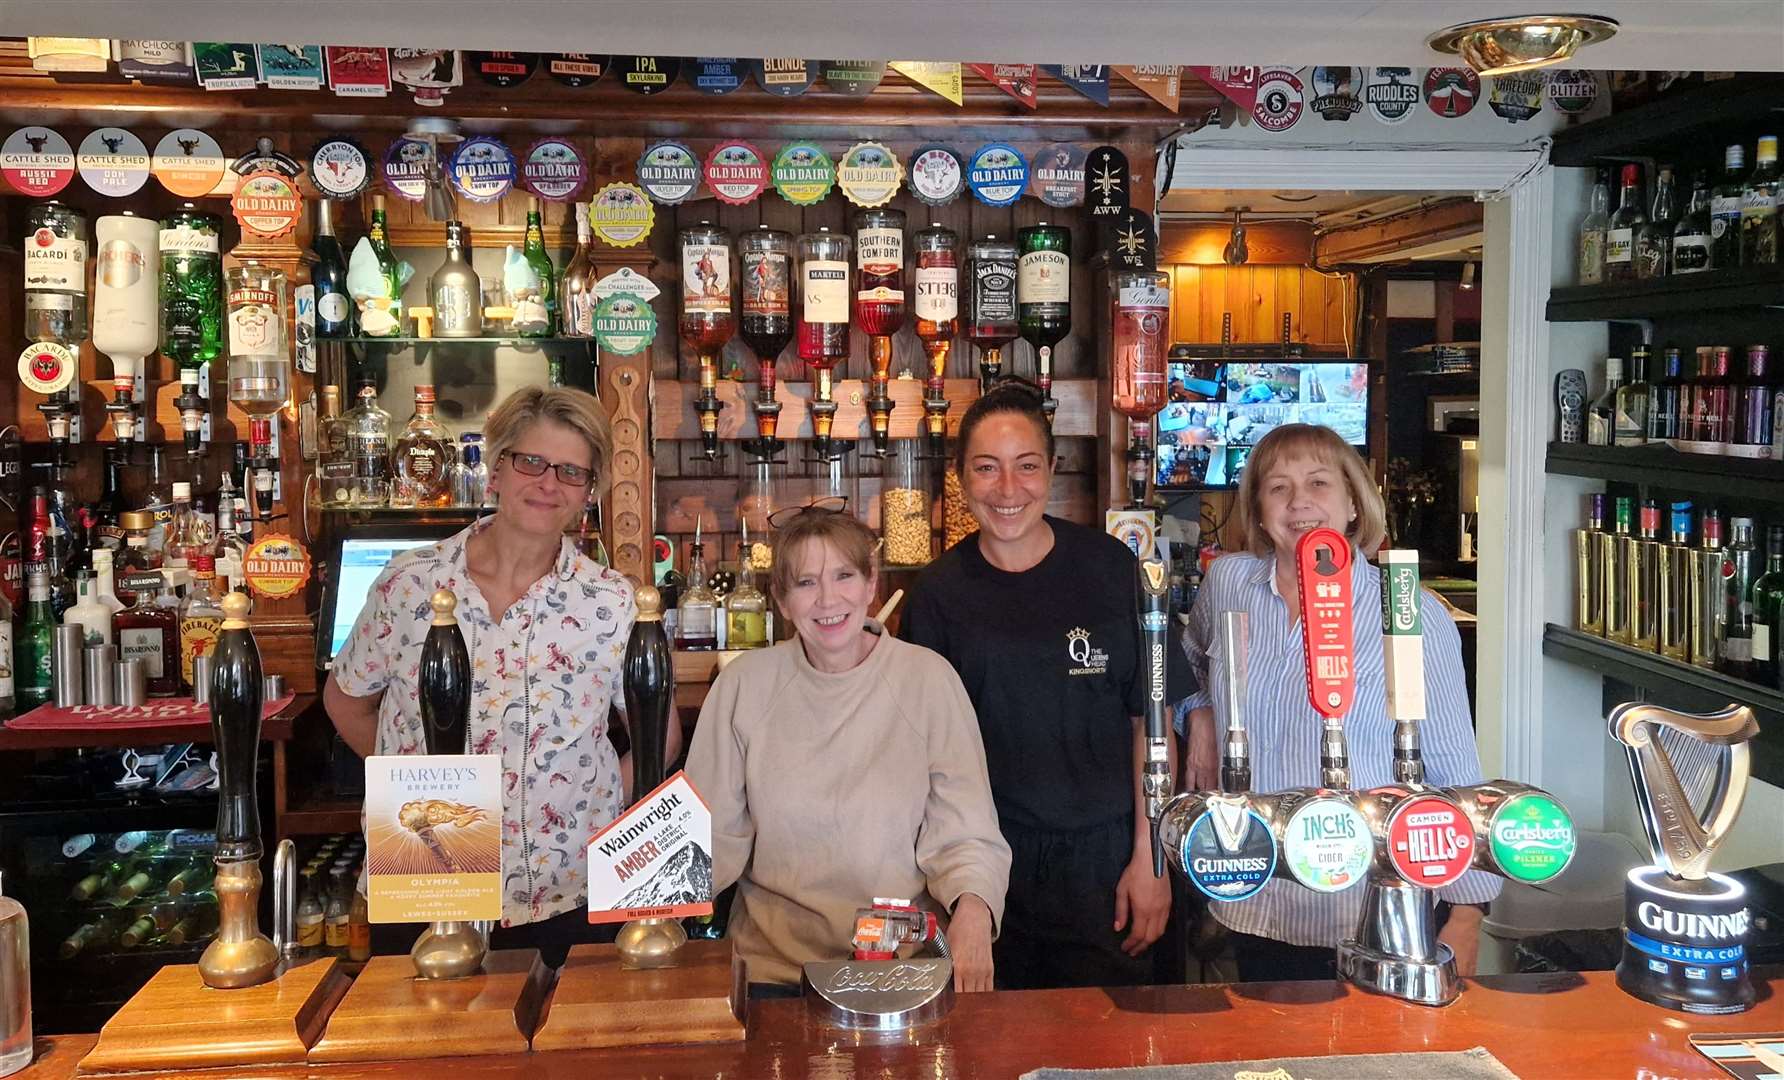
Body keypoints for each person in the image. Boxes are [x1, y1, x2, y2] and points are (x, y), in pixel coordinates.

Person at [327, 386, 670, 962]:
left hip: (569, 887)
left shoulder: (612, 604)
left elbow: (658, 737)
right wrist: (420, 786)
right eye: (531, 461)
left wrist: (599, 806)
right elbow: (347, 703)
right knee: (423, 1047)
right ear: (497, 467)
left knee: (569, 1050)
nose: (547, 484)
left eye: (571, 472)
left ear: (589, 493)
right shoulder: (408, 583)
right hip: (426, 874)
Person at [902, 379, 1196, 990]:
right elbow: (921, 758)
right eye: (987, 468)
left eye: (1026, 466)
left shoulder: (1113, 568)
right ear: (960, 477)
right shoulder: (937, 594)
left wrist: (1153, 859)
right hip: (988, 868)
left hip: (1110, 862)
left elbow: (1154, 722)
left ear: (1053, 469)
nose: (1008, 490)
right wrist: (961, 895)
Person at [1181, 423, 1496, 981]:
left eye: (1319, 483)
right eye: (1277, 487)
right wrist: (1200, 713)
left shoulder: (1411, 613)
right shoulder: (1228, 583)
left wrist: (1467, 913)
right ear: (1257, 510)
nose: (1299, 501)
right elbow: (1191, 666)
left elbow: (1454, 770)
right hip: (1260, 898)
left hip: (1378, 905)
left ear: (1354, 502)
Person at [686, 509, 1008, 994]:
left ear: (870, 583)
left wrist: (975, 912)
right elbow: (706, 838)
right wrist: (648, 908)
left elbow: (965, 831)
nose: (828, 599)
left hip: (898, 970)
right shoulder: (743, 686)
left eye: (843, 576)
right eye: (806, 583)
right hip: (771, 974)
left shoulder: (928, 679)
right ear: (781, 600)